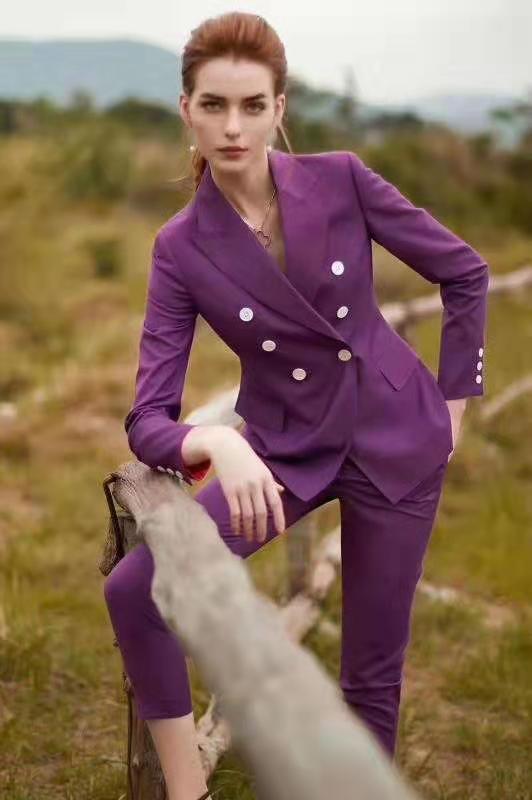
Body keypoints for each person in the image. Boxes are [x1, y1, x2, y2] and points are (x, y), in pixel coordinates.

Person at [103, 10, 489, 800]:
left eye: (252, 105)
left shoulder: (342, 178)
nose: (233, 127)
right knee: (135, 590)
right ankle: (187, 789)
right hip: (284, 451)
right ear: (186, 110)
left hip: (396, 437)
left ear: (279, 108)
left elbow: (465, 272)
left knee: (371, 676)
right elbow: (147, 417)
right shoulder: (180, 247)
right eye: (214, 105)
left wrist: (453, 410)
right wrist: (222, 445)